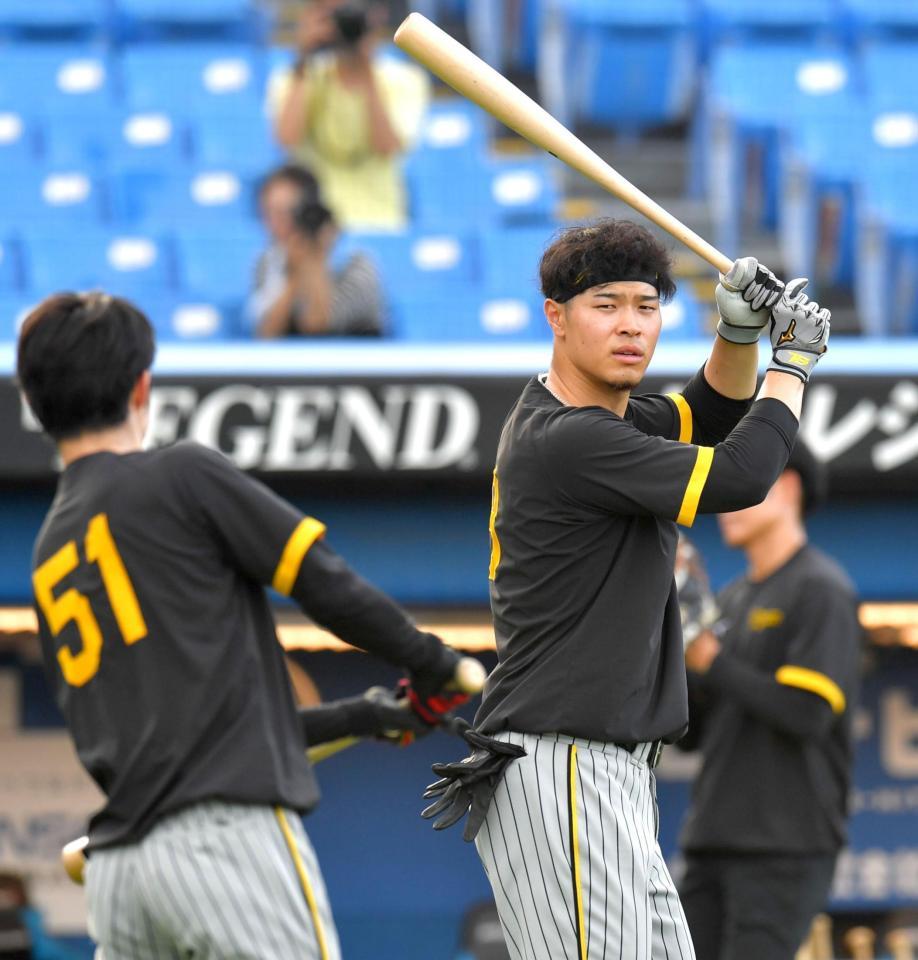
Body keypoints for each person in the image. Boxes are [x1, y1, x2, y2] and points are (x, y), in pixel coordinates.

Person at [420, 218, 832, 960]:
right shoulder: (569, 437)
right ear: (556, 316)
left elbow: (707, 415)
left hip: (605, 773)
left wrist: (738, 336)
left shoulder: (609, 417)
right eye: (605, 305)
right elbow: (740, 475)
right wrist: (792, 363)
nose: (630, 325)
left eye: (646, 307)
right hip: (561, 764)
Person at [17, 291, 466, 960]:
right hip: (225, 848)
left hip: (120, 876)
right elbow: (323, 580)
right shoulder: (178, 473)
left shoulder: (49, 549)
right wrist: (435, 661)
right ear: (142, 387)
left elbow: (203, 732)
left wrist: (370, 715)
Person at [677, 441, 861, 960]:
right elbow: (692, 736)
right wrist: (671, 650)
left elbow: (809, 713)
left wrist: (713, 661)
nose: (724, 507)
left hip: (784, 844)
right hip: (712, 836)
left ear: (787, 488)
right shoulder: (731, 597)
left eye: (739, 491)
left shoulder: (820, 588)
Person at [271, 0, 429, 230]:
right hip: (315, 229)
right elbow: (287, 139)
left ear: (375, 17)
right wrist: (304, 58)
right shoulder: (296, 78)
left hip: (379, 221)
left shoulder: (403, 79)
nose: (340, 25)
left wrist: (366, 73)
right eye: (330, 15)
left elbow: (387, 146)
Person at [246, 163, 384, 338]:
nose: (275, 224)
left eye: (285, 213)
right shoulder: (269, 262)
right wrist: (294, 276)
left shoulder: (356, 264)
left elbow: (318, 325)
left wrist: (315, 259)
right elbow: (266, 334)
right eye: (268, 213)